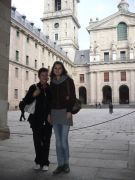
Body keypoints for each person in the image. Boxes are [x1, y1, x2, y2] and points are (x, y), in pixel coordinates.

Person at [19, 68, 52, 171]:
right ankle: (38, 162)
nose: (45, 77)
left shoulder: (50, 89)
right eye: (43, 75)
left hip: (48, 120)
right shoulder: (33, 87)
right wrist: (34, 95)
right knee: (37, 142)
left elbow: (53, 104)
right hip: (36, 120)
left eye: (46, 75)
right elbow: (24, 102)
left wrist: (51, 114)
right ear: (39, 76)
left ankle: (45, 162)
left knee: (46, 142)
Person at [48, 61, 76, 175]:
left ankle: (66, 163)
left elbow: (72, 97)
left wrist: (69, 110)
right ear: (53, 70)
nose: (57, 70)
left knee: (64, 141)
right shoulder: (52, 83)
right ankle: (60, 164)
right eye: (55, 68)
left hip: (65, 113)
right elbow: (50, 100)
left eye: (59, 68)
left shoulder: (69, 81)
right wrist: (49, 114)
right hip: (54, 113)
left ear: (63, 69)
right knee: (58, 142)